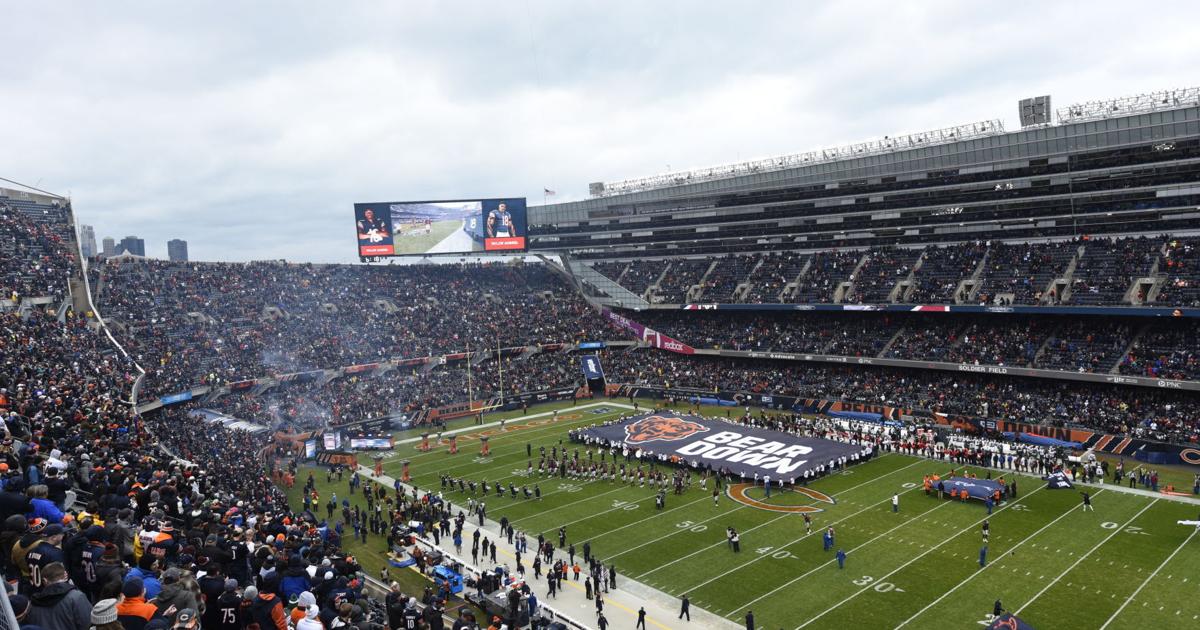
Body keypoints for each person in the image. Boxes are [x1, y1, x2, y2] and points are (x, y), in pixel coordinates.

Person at [27, 562, 91, 630]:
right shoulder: (77, 597)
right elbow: (88, 624)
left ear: (45, 581)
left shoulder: (34, 603)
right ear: (65, 576)